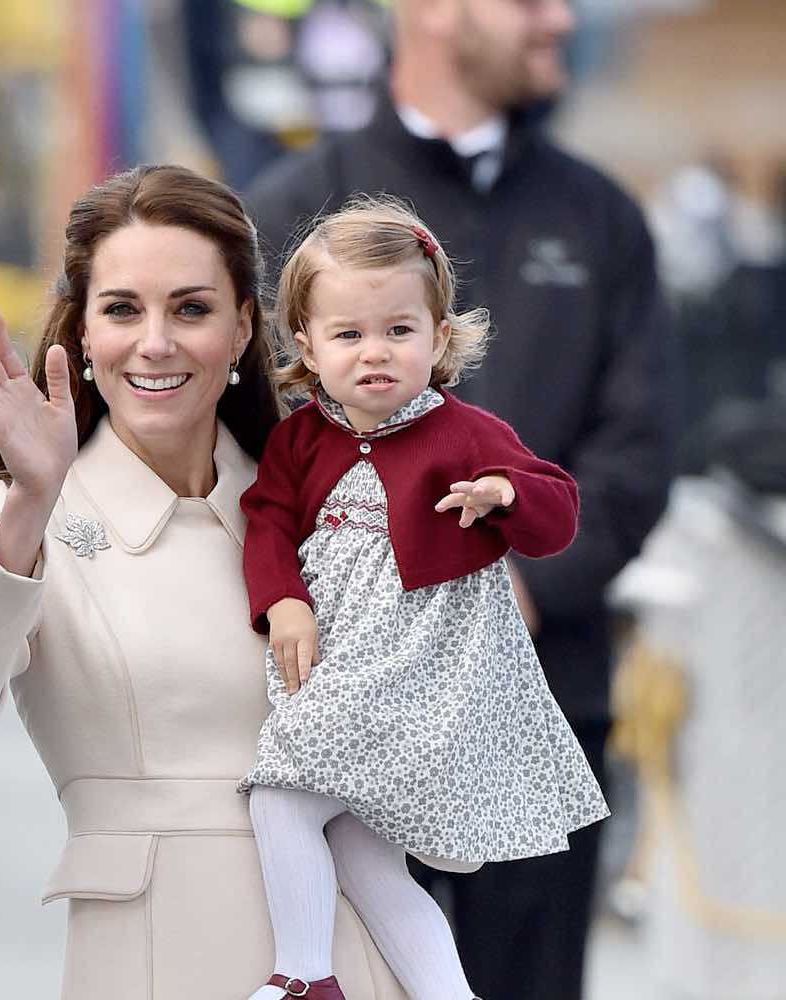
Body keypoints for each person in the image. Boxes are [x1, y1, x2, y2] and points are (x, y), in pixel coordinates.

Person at [240, 3, 672, 994]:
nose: (557, 20)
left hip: (538, 700)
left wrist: (516, 580)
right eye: (528, 1)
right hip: (339, 707)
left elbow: (639, 445)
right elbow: (254, 460)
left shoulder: (598, 217)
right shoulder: (285, 208)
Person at [0, 164, 405, 998]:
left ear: (245, 328)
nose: (155, 343)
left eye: (192, 309)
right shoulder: (18, 510)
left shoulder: (331, 510)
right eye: (122, 309)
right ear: (83, 332)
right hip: (151, 956)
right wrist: (32, 500)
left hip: (346, 951)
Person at [237, 198, 607, 1000]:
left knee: (281, 796)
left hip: (414, 678)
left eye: (399, 330)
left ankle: (304, 975)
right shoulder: (301, 438)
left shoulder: (466, 431)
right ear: (306, 342)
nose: (375, 353)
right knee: (369, 864)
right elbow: (265, 521)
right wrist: (284, 602)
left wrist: (505, 492)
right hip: (339, 660)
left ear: (439, 337)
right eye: (348, 334)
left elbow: (558, 512)